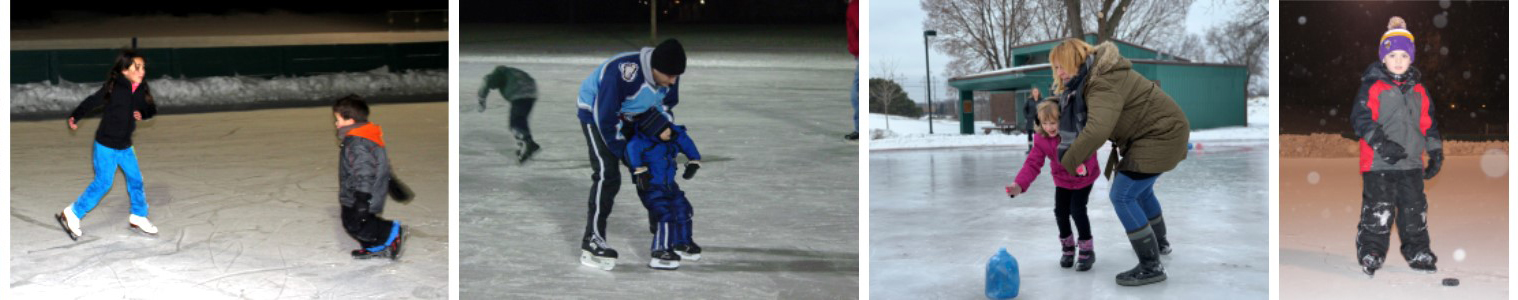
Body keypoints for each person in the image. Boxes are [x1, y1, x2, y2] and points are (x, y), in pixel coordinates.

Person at [1049, 38, 1190, 286]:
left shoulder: (1101, 81)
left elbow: (1096, 130)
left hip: (1160, 136)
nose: (1059, 73)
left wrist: (1068, 161)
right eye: (1056, 68)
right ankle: (1160, 243)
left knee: (1122, 195)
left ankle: (1151, 266)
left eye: (1062, 66)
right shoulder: (1097, 76)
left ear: (1076, 61)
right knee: (1141, 192)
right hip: (1163, 133)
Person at [575, 38, 686, 271]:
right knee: (608, 174)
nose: (673, 81)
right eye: (670, 76)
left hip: (636, 115)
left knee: (655, 170)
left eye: (677, 76)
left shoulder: (669, 73)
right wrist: (626, 153)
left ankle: (662, 237)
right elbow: (605, 118)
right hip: (597, 114)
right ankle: (592, 240)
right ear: (654, 69)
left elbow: (666, 107)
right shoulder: (623, 73)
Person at [1352, 16, 1443, 277]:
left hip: (1411, 163)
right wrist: (1382, 144)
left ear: (1411, 58)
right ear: (1383, 58)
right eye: (1393, 55)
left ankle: (1418, 251)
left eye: (1404, 55)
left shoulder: (1420, 90)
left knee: (1415, 211)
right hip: (1379, 162)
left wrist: (1435, 150)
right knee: (1379, 210)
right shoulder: (1373, 86)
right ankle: (1371, 251)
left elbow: (1429, 123)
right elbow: (1361, 119)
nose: (1399, 60)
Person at [57, 49, 161, 240]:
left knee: (136, 180)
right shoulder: (114, 87)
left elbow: (151, 108)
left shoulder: (141, 88)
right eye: (136, 67)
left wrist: (143, 113)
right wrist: (76, 115)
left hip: (125, 146)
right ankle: (73, 213)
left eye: (143, 67)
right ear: (124, 70)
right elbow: (92, 101)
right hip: (105, 145)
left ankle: (138, 215)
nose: (141, 71)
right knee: (103, 183)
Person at [1006, 99, 1100, 271]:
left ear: (1061, 120)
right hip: (1062, 179)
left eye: (1053, 122)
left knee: (1077, 209)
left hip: (1083, 178)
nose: (1049, 127)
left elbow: (1090, 152)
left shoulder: (1074, 133)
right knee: (1060, 211)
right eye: (1045, 123)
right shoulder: (1041, 139)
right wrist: (1019, 184)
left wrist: (1084, 168)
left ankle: (1087, 249)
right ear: (1039, 123)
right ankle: (1068, 248)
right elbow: (1032, 164)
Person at [332, 95, 407, 260]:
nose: (336, 124)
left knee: (355, 223)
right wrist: (390, 181)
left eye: (338, 120)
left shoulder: (357, 142)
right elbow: (378, 163)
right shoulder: (365, 135)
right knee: (357, 222)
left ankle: (391, 231)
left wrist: (362, 199)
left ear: (350, 120)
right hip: (363, 191)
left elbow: (365, 171)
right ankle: (377, 247)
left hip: (360, 193)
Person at [625, 112, 703, 270]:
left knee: (684, 210)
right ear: (653, 132)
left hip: (670, 185)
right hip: (652, 188)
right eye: (665, 129)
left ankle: (682, 242)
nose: (669, 131)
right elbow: (631, 153)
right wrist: (639, 173)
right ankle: (661, 250)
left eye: (668, 127)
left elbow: (683, 139)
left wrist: (694, 160)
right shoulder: (640, 143)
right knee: (665, 215)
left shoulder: (670, 135)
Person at [477, 65, 541, 164]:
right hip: (531, 93)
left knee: (515, 123)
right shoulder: (512, 72)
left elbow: (487, 81)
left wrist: (481, 99)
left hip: (519, 93)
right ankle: (525, 143)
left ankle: (527, 143)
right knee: (521, 120)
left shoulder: (499, 73)